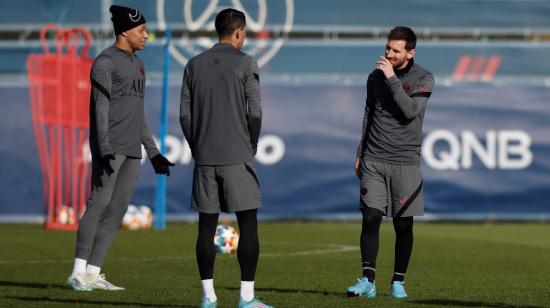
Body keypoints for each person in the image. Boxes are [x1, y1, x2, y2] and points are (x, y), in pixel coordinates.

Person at [66, 4, 174, 291]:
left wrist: (154, 153)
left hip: (132, 150)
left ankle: (93, 273)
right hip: (110, 148)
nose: (146, 35)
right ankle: (77, 273)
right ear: (125, 31)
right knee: (98, 204)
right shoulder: (104, 62)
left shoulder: (138, 63)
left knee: (117, 209)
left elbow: (138, 113)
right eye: (141, 31)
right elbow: (100, 110)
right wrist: (103, 147)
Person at [180, 8, 272, 308]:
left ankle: (208, 297)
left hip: (205, 156)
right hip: (238, 155)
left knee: (206, 227)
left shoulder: (193, 64)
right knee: (248, 224)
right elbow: (255, 112)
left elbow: (185, 114)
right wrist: (252, 144)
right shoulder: (246, 62)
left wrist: (197, 146)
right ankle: (246, 297)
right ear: (238, 32)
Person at [346, 26, 435, 299]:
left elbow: (410, 112)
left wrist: (391, 78)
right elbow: (368, 113)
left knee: (403, 225)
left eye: (396, 50)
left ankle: (398, 281)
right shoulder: (375, 77)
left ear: (410, 52)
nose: (389, 54)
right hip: (374, 158)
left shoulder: (424, 78)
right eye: (388, 48)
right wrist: (361, 151)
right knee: (370, 218)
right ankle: (367, 279)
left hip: (405, 161)